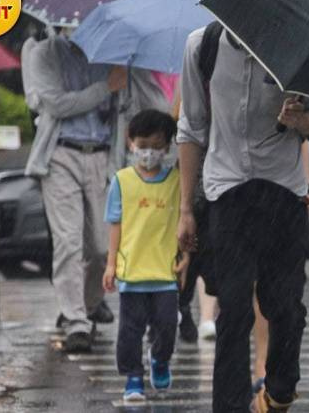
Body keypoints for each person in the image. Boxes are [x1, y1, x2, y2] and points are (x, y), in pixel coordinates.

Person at [176, 24, 309, 413]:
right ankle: (229, 406)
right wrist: (185, 210)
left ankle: (280, 389)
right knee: (234, 309)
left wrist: (298, 120)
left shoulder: (297, 44)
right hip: (227, 192)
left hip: (283, 192)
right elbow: (191, 127)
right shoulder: (202, 46)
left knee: (286, 307)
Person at [25, 29, 128, 352]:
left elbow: (121, 108)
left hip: (100, 156)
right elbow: (55, 105)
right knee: (68, 242)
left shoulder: (113, 55)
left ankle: (85, 304)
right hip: (60, 155)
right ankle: (77, 323)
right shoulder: (44, 54)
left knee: (101, 247)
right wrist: (103, 88)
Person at [102, 109, 188, 402]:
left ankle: (159, 360)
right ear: (130, 143)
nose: (148, 152)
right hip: (132, 273)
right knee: (130, 330)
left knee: (167, 327)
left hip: (164, 273)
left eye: (156, 145)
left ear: (167, 147)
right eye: (143, 145)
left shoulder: (176, 181)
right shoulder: (122, 181)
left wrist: (184, 255)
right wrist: (111, 264)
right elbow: (115, 223)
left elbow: (183, 220)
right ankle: (133, 377)